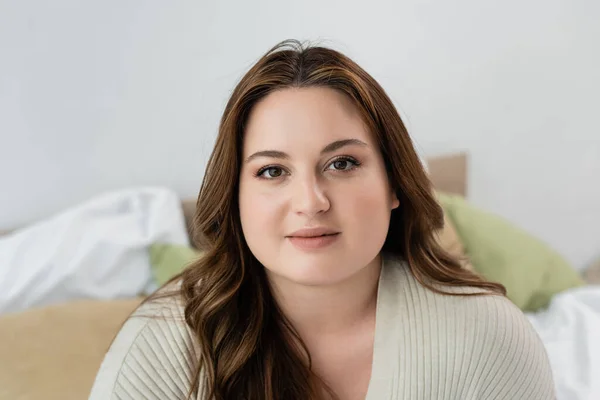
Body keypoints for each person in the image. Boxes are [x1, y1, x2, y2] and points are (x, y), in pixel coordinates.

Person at [89, 39, 555, 400]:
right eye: (272, 171)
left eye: (342, 164)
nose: (310, 202)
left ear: (394, 182)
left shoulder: (488, 335)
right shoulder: (163, 346)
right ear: (235, 197)